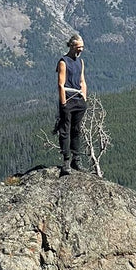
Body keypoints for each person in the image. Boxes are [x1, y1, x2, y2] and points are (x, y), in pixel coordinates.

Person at [56, 32, 87, 175]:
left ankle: (76, 159)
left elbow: (82, 81)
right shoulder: (63, 62)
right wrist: (63, 103)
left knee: (76, 130)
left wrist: (84, 98)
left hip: (79, 100)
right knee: (65, 130)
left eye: (82, 47)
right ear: (72, 46)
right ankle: (66, 161)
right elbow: (61, 84)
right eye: (79, 47)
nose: (81, 50)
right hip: (68, 100)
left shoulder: (80, 62)